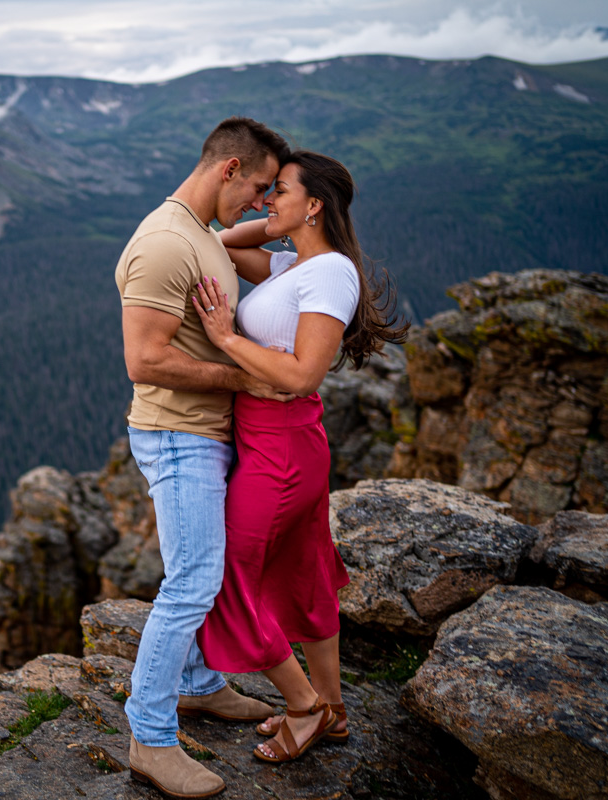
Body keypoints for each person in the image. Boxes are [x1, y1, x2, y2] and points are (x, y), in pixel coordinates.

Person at [193, 150, 408, 764]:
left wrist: (228, 340)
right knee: (306, 575)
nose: (266, 200)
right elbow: (224, 239)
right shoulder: (294, 264)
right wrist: (278, 217)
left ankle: (303, 707)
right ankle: (333, 711)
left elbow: (304, 372)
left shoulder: (331, 273)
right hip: (278, 441)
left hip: (281, 444)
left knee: (230, 576)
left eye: (279, 190)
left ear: (314, 205)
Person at [115, 117, 291, 799]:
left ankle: (194, 686)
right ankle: (149, 739)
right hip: (178, 435)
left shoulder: (201, 234)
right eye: (257, 186)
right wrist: (241, 380)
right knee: (191, 582)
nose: (258, 200)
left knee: (208, 575)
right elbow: (144, 358)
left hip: (205, 434)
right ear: (228, 168)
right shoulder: (165, 244)